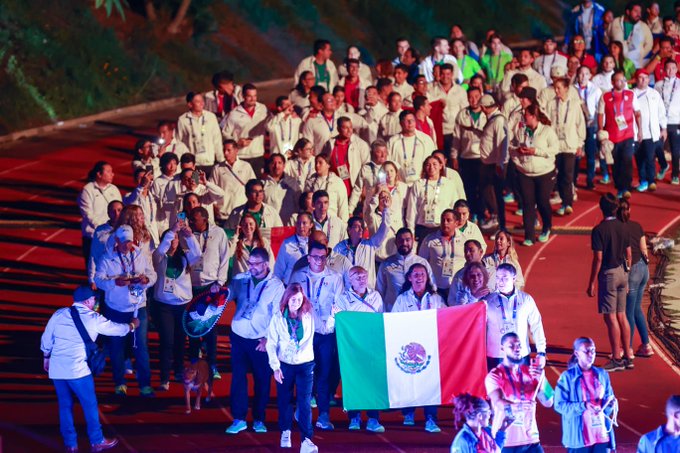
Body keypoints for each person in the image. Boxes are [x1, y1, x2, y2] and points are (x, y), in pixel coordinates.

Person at [41, 286, 138, 453]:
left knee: (65, 406)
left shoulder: (59, 314)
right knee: (90, 405)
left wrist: (46, 357)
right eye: (93, 299)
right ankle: (97, 440)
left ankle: (70, 444)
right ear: (87, 301)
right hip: (78, 371)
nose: (95, 301)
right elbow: (118, 330)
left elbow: (46, 339)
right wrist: (132, 325)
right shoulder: (94, 318)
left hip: (57, 369)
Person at [225, 247, 285, 435]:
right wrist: (219, 290)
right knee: (238, 379)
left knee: (262, 381)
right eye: (249, 263)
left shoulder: (276, 285)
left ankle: (259, 418)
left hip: (260, 340)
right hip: (239, 335)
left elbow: (278, 315)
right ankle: (239, 418)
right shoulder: (241, 279)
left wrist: (268, 338)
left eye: (256, 264)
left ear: (266, 264)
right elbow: (226, 296)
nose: (251, 267)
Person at [94, 225, 157, 397]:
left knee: (141, 347)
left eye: (129, 242)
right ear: (116, 241)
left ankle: (145, 385)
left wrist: (146, 280)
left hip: (138, 308)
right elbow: (98, 280)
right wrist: (115, 283)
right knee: (117, 347)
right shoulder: (107, 258)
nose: (127, 245)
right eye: (123, 242)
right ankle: (120, 383)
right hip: (116, 310)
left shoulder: (140, 254)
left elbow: (153, 275)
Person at [289, 241, 345, 431]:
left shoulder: (335, 278)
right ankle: (301, 410)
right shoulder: (298, 276)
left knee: (324, 374)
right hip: (304, 333)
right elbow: (291, 301)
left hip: (325, 333)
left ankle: (323, 415)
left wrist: (329, 323)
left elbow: (339, 304)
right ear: (308, 257)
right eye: (315, 257)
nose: (319, 261)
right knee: (304, 373)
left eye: (322, 257)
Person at [327, 266, 385, 433]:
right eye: (356, 276)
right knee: (353, 382)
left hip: (371, 347)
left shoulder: (375, 296)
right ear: (349, 280)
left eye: (364, 276)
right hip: (351, 348)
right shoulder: (343, 299)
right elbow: (339, 321)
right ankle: (354, 417)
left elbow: (380, 319)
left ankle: (373, 419)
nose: (361, 279)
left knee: (373, 382)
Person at [392, 263, 445, 432]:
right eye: (415, 274)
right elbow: (394, 321)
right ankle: (409, 412)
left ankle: (430, 418)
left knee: (431, 383)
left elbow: (447, 318)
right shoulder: (402, 299)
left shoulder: (436, 299)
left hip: (430, 348)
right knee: (410, 380)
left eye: (422, 274)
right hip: (410, 348)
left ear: (427, 277)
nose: (419, 277)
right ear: (409, 278)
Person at [266, 283, 318, 452]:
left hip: (305, 364)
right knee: (285, 400)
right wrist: (275, 367)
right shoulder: (278, 317)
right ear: (287, 299)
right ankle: (285, 431)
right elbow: (271, 343)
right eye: (293, 299)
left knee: (304, 403)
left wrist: (332, 317)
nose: (296, 302)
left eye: (299, 299)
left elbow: (327, 328)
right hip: (284, 365)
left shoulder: (309, 315)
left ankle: (306, 440)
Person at [587, 193, 633, 371]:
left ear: (601, 208)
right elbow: (629, 254)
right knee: (622, 315)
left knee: (611, 317)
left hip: (609, 274)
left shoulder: (599, 230)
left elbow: (598, 258)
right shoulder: (623, 226)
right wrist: (627, 274)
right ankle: (628, 355)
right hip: (623, 272)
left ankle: (616, 358)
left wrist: (592, 282)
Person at [152, 221, 201, 390]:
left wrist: (189, 235)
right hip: (164, 305)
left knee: (181, 340)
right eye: (171, 238)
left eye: (176, 239)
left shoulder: (185, 258)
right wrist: (172, 230)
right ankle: (164, 377)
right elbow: (159, 250)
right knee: (167, 341)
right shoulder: (159, 258)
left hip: (182, 305)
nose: (173, 241)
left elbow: (198, 254)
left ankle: (179, 370)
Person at [486, 332, 554, 453]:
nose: (517, 348)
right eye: (511, 346)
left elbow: (549, 402)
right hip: (506, 442)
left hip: (531, 441)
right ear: (502, 349)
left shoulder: (532, 371)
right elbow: (498, 402)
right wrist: (518, 406)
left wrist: (542, 380)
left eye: (519, 345)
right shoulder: (495, 376)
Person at [554, 337, 618, 453]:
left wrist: (609, 404)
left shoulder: (602, 374)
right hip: (579, 439)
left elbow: (608, 407)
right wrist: (583, 406)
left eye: (593, 350)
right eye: (587, 351)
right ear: (577, 353)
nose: (591, 354)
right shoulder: (567, 377)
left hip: (601, 435)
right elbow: (559, 405)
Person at [187, 207, 230, 378]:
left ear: (204, 220)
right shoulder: (187, 234)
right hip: (190, 287)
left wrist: (219, 283)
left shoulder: (218, 233)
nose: (191, 221)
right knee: (192, 329)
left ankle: (212, 365)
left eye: (194, 219)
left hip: (211, 287)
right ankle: (193, 365)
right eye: (190, 219)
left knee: (210, 328)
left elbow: (225, 258)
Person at [485, 263, 547, 370]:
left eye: (505, 278)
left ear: (514, 279)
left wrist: (541, 352)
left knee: (523, 386)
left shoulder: (526, 300)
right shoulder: (487, 301)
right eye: (498, 277)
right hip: (496, 356)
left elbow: (536, 325)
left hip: (521, 354)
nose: (500, 281)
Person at [616, 199, 653, 358]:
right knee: (637, 309)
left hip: (631, 271)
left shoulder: (618, 229)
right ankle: (646, 345)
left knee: (628, 312)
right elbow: (644, 250)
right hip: (643, 269)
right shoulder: (637, 226)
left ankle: (627, 347)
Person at [597, 69, 642, 198]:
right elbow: (600, 115)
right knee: (616, 163)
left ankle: (626, 187)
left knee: (627, 160)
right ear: (612, 82)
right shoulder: (605, 96)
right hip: (612, 136)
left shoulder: (631, 94)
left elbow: (637, 113)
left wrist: (640, 131)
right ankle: (619, 187)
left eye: (623, 80)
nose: (621, 82)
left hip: (628, 134)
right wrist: (601, 131)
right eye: (618, 80)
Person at [547, 78, 586, 216]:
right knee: (558, 174)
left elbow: (580, 124)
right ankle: (563, 199)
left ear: (566, 89)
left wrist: (580, 143)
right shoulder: (551, 104)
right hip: (556, 145)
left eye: (559, 88)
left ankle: (567, 203)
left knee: (568, 175)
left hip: (570, 144)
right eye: (555, 88)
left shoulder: (575, 104)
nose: (556, 91)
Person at [406, 156, 465, 241]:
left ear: (441, 166)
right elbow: (412, 210)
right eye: (428, 165)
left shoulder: (448, 184)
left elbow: (454, 207)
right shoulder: (418, 184)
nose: (431, 167)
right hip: (423, 228)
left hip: (441, 228)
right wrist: (411, 230)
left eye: (434, 164)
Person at [377, 228, 435, 312]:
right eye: (400, 240)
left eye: (407, 240)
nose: (404, 243)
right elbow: (379, 290)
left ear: (413, 241)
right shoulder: (386, 264)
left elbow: (432, 287)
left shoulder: (422, 262)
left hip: (416, 312)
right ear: (396, 242)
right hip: (392, 311)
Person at [453, 88, 487, 221]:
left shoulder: (486, 114)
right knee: (470, 188)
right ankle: (472, 213)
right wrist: (454, 156)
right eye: (471, 97)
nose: (474, 100)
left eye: (477, 97)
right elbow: (457, 137)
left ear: (481, 96)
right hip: (466, 157)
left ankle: (482, 213)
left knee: (483, 188)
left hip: (482, 158)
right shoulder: (462, 114)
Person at [78, 161, 122, 264]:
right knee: (93, 268)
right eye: (109, 171)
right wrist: (103, 229)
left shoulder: (114, 189)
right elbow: (88, 214)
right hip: (93, 237)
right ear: (99, 174)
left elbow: (120, 208)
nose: (112, 174)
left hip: (112, 236)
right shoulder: (88, 190)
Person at [222, 83, 270, 176]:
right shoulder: (234, 113)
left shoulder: (263, 109)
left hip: (258, 155)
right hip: (241, 156)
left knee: (257, 185)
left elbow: (272, 122)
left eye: (255, 96)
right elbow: (225, 133)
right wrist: (237, 142)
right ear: (243, 96)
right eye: (249, 96)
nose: (253, 99)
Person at [333, 211, 388, 288]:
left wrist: (386, 210)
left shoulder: (370, 245)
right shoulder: (339, 247)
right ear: (349, 230)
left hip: (367, 292)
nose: (361, 229)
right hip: (347, 293)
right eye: (357, 226)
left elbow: (384, 230)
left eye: (362, 226)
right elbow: (334, 270)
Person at [418, 209, 465, 300]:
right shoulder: (430, 239)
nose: (445, 223)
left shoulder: (464, 240)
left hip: (458, 287)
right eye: (443, 220)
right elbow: (421, 262)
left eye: (448, 220)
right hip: (437, 287)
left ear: (456, 223)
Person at [479, 94, 509, 232]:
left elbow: (502, 143)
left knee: (495, 194)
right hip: (489, 163)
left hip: (494, 164)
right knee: (487, 191)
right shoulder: (492, 119)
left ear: (484, 108)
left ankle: (500, 224)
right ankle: (496, 219)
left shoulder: (498, 121)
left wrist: (500, 164)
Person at [633, 69, 666, 192]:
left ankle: (651, 181)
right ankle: (643, 181)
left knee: (650, 158)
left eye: (645, 78)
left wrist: (664, 128)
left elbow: (661, 111)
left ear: (649, 79)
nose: (643, 80)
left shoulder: (654, 94)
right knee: (639, 158)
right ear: (636, 79)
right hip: (637, 132)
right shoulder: (632, 94)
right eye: (640, 77)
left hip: (651, 132)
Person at [176, 92, 224, 176]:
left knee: (210, 187)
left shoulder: (211, 117)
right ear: (190, 104)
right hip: (194, 165)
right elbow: (178, 142)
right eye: (198, 101)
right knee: (196, 187)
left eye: (202, 101)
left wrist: (221, 160)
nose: (202, 103)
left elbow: (217, 139)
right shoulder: (183, 120)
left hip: (210, 163)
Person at [320, 116, 370, 196]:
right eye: (345, 128)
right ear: (338, 129)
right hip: (335, 189)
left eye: (350, 127)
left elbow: (367, 167)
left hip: (355, 189)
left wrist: (364, 187)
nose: (349, 130)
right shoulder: (330, 144)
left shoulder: (360, 144)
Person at [574, 65, 607, 189]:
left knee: (591, 154)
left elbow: (600, 108)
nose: (583, 76)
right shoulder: (573, 89)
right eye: (581, 74)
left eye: (586, 74)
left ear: (590, 75)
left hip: (591, 125)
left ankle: (590, 179)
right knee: (576, 154)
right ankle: (574, 179)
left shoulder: (595, 90)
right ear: (577, 75)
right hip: (576, 125)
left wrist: (601, 126)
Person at [210, 139, 257, 225]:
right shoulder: (217, 168)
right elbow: (211, 188)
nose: (225, 153)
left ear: (236, 151)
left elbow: (253, 187)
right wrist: (214, 205)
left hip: (242, 213)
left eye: (228, 150)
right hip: (223, 213)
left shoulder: (246, 166)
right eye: (224, 150)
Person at [387, 110, 437, 185]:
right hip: (400, 184)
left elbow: (433, 160)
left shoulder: (426, 139)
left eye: (412, 120)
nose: (410, 123)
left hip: (422, 183)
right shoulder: (393, 141)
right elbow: (389, 163)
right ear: (401, 123)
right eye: (407, 121)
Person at [428, 63, 469, 151]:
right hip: (438, 131)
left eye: (448, 74)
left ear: (452, 75)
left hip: (454, 131)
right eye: (442, 74)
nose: (445, 77)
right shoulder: (432, 90)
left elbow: (465, 112)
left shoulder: (460, 91)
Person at [88, 200, 123, 291]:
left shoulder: (130, 230)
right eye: (113, 211)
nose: (116, 213)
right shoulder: (100, 231)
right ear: (108, 213)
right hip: (105, 278)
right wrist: (92, 278)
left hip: (124, 278)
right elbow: (93, 255)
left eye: (119, 210)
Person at [655, 59, 680, 185]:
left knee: (676, 150)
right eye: (668, 68)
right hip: (661, 121)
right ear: (664, 70)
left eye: (673, 68)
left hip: (676, 121)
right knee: (657, 147)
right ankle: (664, 165)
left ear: (676, 69)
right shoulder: (658, 85)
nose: (670, 71)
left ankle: (675, 175)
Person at [606, 2, 653, 68]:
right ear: (628, 12)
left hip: (636, 65)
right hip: (616, 65)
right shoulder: (615, 22)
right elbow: (606, 39)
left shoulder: (644, 26)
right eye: (636, 11)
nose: (639, 14)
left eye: (640, 12)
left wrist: (639, 55)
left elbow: (649, 45)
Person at [305, 153, 350, 221]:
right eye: (316, 163)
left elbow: (343, 207)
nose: (317, 165)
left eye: (320, 163)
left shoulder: (337, 182)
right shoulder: (310, 182)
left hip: (332, 222)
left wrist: (343, 226)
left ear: (328, 165)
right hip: (314, 221)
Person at [348, 139, 389, 214]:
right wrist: (350, 210)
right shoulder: (365, 169)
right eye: (379, 152)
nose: (383, 155)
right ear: (372, 153)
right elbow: (357, 190)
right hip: (370, 209)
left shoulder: (391, 168)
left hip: (388, 208)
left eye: (385, 152)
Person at [262, 153, 302, 226]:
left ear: (284, 165)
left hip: (289, 225)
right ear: (269, 166)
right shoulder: (263, 184)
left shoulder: (292, 183)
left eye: (279, 163)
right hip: (270, 224)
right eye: (273, 163)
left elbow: (299, 205)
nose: (276, 166)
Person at [274, 212, 314, 284]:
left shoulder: (315, 241)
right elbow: (278, 270)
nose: (301, 226)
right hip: (291, 286)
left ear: (311, 225)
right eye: (298, 223)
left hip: (310, 285)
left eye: (304, 223)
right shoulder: (287, 244)